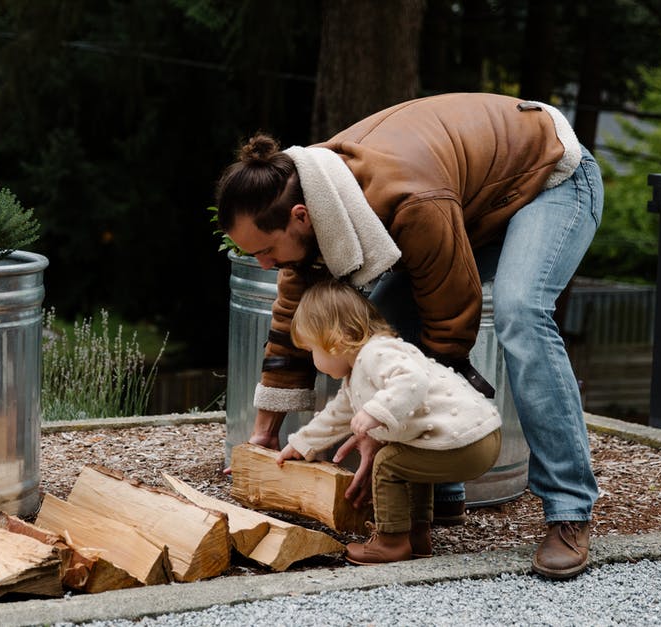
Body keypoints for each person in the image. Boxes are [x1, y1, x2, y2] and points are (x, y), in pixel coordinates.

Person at [214, 92, 603, 579]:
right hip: (471, 202)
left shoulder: (409, 198)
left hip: (550, 177)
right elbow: (295, 317)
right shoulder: (300, 192)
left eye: (267, 251)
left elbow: (450, 318)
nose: (265, 265)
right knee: (375, 330)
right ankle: (435, 495)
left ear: (299, 217)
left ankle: (568, 512)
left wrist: (384, 426)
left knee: (521, 313)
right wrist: (264, 433)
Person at [275, 280, 502, 565]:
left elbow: (412, 380)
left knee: (387, 463)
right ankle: (417, 536)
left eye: (311, 350)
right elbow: (335, 416)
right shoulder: (358, 371)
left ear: (335, 340)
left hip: (470, 441)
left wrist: (375, 411)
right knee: (409, 464)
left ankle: (390, 542)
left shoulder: (375, 354)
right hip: (474, 438)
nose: (312, 359)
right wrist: (301, 443)